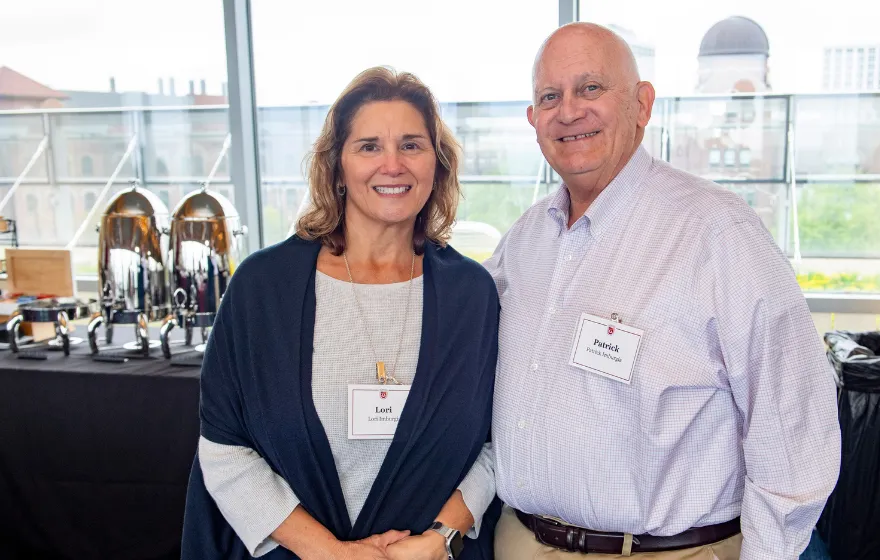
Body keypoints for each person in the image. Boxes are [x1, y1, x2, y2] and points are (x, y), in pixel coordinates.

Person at [484, 23, 841, 560]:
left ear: (642, 104)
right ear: (533, 120)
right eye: (549, 96)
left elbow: (793, 425)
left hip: (665, 550)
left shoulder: (719, 233)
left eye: (590, 88)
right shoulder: (525, 241)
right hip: (523, 541)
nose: (569, 110)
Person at [181, 66, 500, 560]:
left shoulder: (472, 296)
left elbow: (497, 442)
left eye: (411, 145)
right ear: (337, 166)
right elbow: (223, 447)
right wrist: (332, 553)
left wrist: (441, 538)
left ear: (436, 165)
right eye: (369, 146)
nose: (392, 164)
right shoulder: (262, 288)